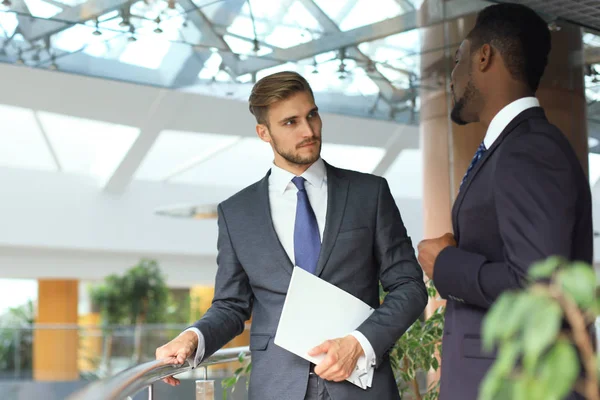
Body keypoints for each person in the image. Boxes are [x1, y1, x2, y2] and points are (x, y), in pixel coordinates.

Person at [155, 71, 428, 400]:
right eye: (290, 122)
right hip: (276, 388)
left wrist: (360, 343)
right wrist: (192, 337)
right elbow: (231, 305)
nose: (308, 130)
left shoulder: (369, 194)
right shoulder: (237, 213)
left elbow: (410, 287)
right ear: (263, 132)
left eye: (312, 115)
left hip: (362, 387)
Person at [417, 3, 592, 400]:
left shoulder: (529, 148)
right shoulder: (511, 147)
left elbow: (539, 284)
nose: (452, 76)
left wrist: (445, 264)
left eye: (458, 59)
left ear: (484, 56)